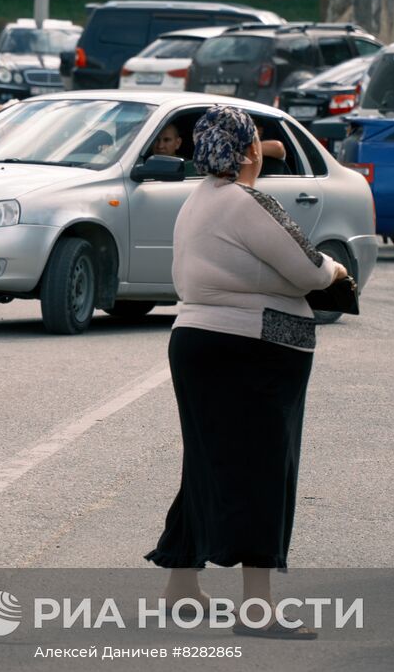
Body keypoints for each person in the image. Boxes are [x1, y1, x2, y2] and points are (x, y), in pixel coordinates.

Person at [146, 105, 348, 640]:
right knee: (264, 469)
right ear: (250, 150)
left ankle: (182, 587)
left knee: (209, 464)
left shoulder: (198, 200)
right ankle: (257, 609)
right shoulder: (246, 201)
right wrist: (339, 269)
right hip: (250, 346)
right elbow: (308, 268)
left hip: (197, 341)